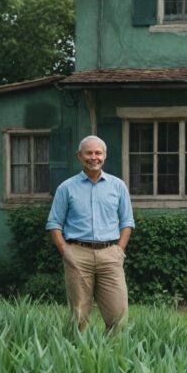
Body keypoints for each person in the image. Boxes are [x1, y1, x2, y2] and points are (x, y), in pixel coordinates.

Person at [46, 135, 134, 332]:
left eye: (98, 153)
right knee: (78, 317)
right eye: (89, 153)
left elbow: (127, 222)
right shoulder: (66, 188)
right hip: (78, 254)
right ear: (79, 155)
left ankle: (110, 358)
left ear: (104, 156)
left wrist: (119, 250)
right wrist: (66, 252)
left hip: (110, 254)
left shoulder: (117, 186)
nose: (94, 157)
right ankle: (78, 357)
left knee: (118, 316)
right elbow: (54, 223)